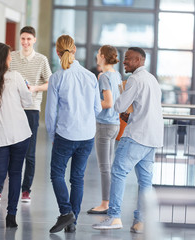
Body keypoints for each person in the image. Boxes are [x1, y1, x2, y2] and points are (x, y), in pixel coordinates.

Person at [92, 47, 164, 233]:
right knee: (145, 181)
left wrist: (122, 94)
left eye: (129, 59)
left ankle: (114, 216)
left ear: (140, 60)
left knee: (117, 171)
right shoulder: (152, 79)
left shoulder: (135, 79)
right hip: (153, 137)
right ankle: (140, 222)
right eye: (124, 59)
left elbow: (119, 106)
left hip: (137, 135)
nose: (124, 62)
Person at [45, 35, 102, 233]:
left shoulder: (57, 77)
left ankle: (66, 212)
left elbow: (51, 113)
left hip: (65, 134)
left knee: (56, 174)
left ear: (57, 52)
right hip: (86, 135)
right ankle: (73, 221)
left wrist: (52, 136)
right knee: (77, 178)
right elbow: (97, 109)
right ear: (74, 50)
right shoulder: (90, 76)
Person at [0, 42, 33, 230]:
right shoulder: (15, 77)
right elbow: (27, 101)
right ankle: (11, 216)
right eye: (9, 56)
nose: (11, 59)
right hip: (19, 133)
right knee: (15, 173)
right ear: (4, 59)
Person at [9, 26, 52, 202]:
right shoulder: (11, 57)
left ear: (34, 40)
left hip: (32, 109)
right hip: (13, 109)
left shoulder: (41, 60)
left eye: (29, 39)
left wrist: (34, 88)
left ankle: (26, 190)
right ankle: (4, 187)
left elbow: (50, 83)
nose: (25, 42)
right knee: (9, 148)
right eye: (23, 39)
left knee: (29, 152)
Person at [87, 45, 121, 215]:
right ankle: (110, 202)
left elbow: (107, 102)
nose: (97, 55)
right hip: (115, 124)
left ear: (103, 56)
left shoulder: (104, 77)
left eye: (99, 53)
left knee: (104, 167)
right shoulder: (117, 75)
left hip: (104, 124)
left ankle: (105, 203)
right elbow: (118, 100)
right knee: (109, 166)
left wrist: (91, 104)